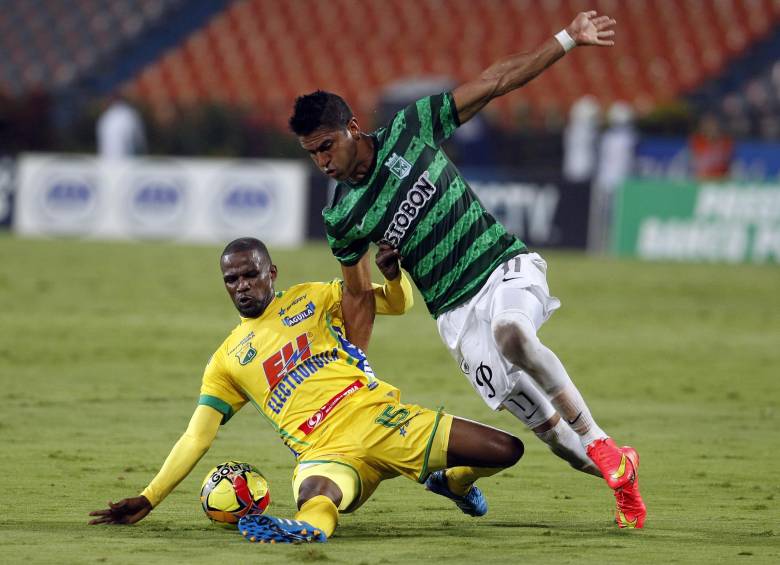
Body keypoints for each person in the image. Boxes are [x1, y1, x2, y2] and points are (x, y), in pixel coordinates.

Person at [288, 10, 646, 529]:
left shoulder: (412, 129)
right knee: (553, 438)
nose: (322, 161)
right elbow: (359, 296)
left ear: (352, 127)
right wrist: (357, 367)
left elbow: (495, 81)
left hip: (501, 266)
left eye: (326, 146)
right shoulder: (341, 215)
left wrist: (567, 38)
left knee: (513, 332)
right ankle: (621, 475)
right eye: (310, 154)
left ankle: (600, 439)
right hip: (455, 319)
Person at [89, 237, 524, 543]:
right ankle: (306, 531)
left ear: (270, 272)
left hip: (382, 419)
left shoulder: (312, 297)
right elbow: (197, 436)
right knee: (318, 497)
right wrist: (150, 497)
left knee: (506, 449)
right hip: (322, 451)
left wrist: (395, 278)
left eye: (249, 275)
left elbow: (395, 304)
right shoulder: (226, 360)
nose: (241, 286)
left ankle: (455, 483)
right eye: (231, 280)